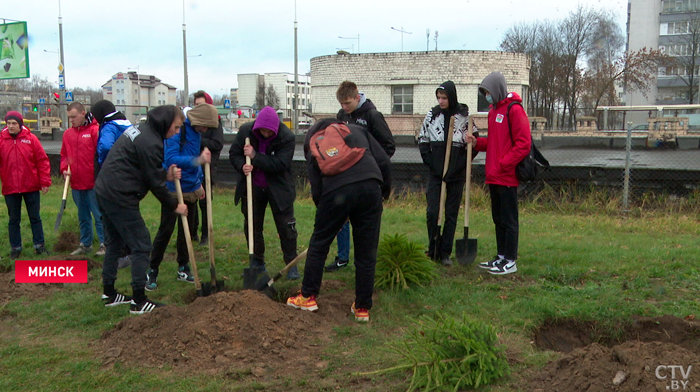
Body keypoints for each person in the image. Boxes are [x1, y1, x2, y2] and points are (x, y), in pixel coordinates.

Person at [287, 119, 391, 322]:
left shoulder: (314, 142)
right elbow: (384, 162)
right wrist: (383, 193)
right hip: (371, 187)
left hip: (336, 192)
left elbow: (316, 187)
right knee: (366, 251)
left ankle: (307, 296)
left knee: (319, 244)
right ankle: (362, 308)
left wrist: (328, 216)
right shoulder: (358, 130)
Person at [95, 105, 187, 314]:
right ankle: (139, 300)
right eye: (176, 127)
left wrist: (166, 175)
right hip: (120, 195)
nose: (176, 132)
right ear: (166, 122)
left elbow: (145, 168)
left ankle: (109, 293)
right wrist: (175, 206)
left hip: (104, 189)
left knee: (114, 243)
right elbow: (155, 184)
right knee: (141, 244)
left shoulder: (142, 130)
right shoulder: (151, 141)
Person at [324, 81, 395, 273]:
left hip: (367, 177)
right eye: (341, 104)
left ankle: (363, 261)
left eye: (347, 103)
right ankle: (342, 257)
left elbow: (389, 146)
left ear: (357, 98)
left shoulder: (372, 116)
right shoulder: (341, 116)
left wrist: (372, 164)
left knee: (364, 222)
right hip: (345, 175)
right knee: (341, 217)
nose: (344, 108)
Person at [466, 71, 531, 275]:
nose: (487, 96)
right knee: (498, 218)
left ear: (497, 90)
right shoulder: (494, 112)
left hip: (507, 176)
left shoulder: (514, 110)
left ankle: (510, 259)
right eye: (484, 93)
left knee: (509, 219)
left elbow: (523, 144)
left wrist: (504, 163)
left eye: (488, 92)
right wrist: (478, 142)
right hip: (494, 175)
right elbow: (495, 142)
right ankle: (501, 256)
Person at [146, 103, 216, 291]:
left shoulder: (197, 133)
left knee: (188, 230)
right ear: (198, 121)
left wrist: (199, 182)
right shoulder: (179, 131)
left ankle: (183, 266)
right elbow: (170, 159)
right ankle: (152, 269)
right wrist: (197, 161)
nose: (206, 130)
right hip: (173, 189)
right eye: (205, 126)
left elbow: (197, 160)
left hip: (191, 188)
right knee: (166, 230)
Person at [229, 106, 299, 280]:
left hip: (279, 189)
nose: (266, 134)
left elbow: (280, 164)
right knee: (253, 225)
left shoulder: (287, 137)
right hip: (253, 187)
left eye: (269, 132)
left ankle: (291, 265)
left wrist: (254, 156)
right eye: (262, 131)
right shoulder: (246, 132)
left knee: (286, 227)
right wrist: (241, 165)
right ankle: (257, 262)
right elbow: (234, 154)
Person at [418, 80, 474, 267]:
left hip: (456, 174)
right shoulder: (432, 115)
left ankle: (445, 253)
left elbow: (473, 145)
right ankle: (433, 247)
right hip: (436, 173)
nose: (441, 101)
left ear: (452, 97)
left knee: (451, 214)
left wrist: (456, 168)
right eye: (439, 97)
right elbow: (423, 141)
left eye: (444, 98)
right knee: (433, 211)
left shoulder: (464, 117)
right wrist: (434, 166)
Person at [0, 111, 51, 259]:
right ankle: (15, 247)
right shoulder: (1, 140)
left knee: (35, 217)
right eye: (8, 123)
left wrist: (45, 181)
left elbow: (42, 160)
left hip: (31, 185)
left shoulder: (31, 139)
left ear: (20, 124)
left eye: (14, 123)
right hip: (10, 187)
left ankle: (39, 245)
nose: (11, 126)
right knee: (13, 219)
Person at [91, 100, 134, 268]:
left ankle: (121, 255)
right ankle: (132, 252)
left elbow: (106, 147)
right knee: (127, 216)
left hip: (112, 178)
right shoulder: (126, 124)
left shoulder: (109, 127)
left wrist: (106, 164)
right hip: (128, 175)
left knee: (113, 218)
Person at [61, 102, 105, 256]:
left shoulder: (95, 131)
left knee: (99, 215)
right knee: (83, 216)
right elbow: (64, 156)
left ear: (82, 113)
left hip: (93, 183)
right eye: (69, 117)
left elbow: (101, 155)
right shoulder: (68, 134)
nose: (71, 120)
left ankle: (104, 244)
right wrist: (64, 169)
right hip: (76, 184)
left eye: (74, 117)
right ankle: (85, 244)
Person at [192, 90, 224, 246]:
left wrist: (200, 143)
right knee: (191, 200)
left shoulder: (215, 123)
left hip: (208, 168)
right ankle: (192, 233)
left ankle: (205, 235)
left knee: (204, 203)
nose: (199, 107)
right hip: (192, 166)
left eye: (202, 104)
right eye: (196, 104)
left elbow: (217, 144)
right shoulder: (191, 123)